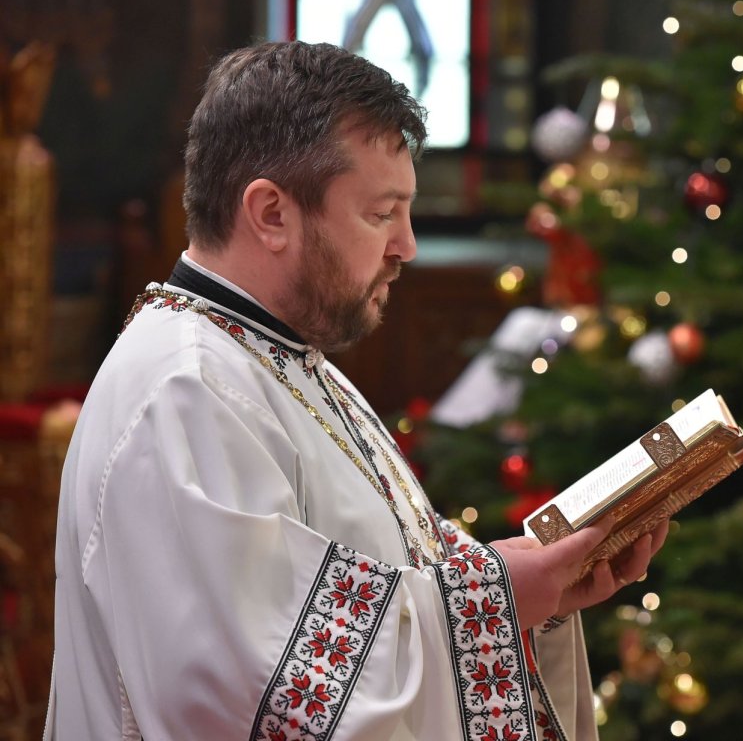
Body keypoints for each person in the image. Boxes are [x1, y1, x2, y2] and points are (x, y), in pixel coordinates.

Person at [47, 40, 668, 740]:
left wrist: (537, 585)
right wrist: (496, 598)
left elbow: (386, 587)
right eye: (382, 214)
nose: (407, 245)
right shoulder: (185, 392)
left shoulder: (286, 361)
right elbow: (270, 689)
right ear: (272, 214)